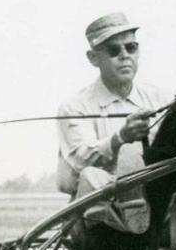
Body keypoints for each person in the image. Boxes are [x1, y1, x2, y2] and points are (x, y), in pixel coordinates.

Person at [57, 12, 169, 233]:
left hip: (155, 192)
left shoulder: (160, 99)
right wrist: (121, 138)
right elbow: (81, 159)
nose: (125, 55)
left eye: (131, 47)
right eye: (114, 50)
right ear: (93, 58)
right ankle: (129, 208)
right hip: (100, 198)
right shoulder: (75, 106)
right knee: (91, 175)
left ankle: (137, 207)